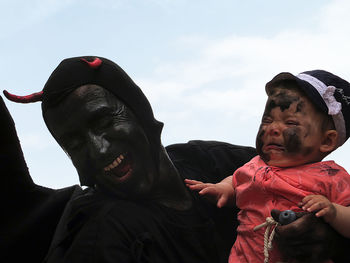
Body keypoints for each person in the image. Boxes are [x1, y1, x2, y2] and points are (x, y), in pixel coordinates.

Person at [1, 56, 256, 263]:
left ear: (141, 113)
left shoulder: (212, 161)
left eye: (103, 121)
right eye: (75, 144)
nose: (99, 150)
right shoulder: (106, 236)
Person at [186, 70, 350, 263]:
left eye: (290, 122)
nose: (273, 129)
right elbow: (237, 181)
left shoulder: (332, 177)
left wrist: (333, 212)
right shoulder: (255, 165)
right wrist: (223, 189)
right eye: (267, 120)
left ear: (327, 140)